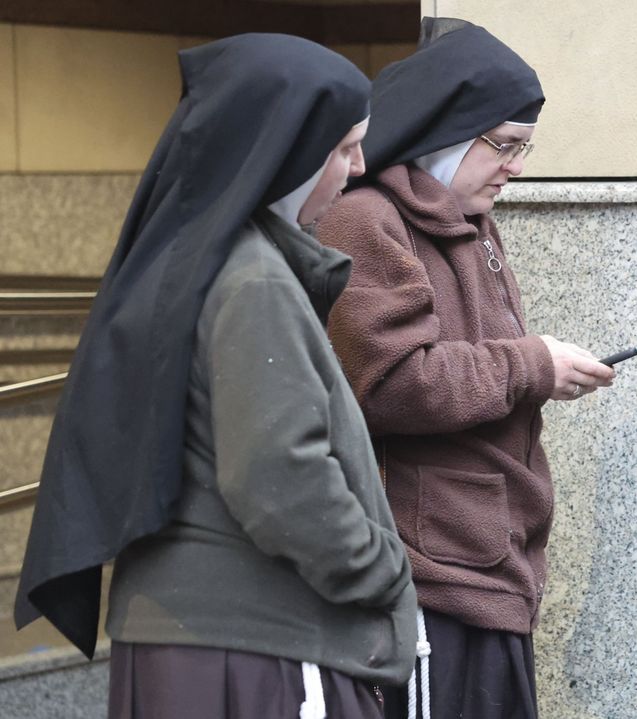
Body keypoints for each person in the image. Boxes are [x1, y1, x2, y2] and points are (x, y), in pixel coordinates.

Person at [15, 34, 416, 718]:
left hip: (203, 642)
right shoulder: (251, 278)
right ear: (290, 148)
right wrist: (385, 568)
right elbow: (281, 479)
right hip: (249, 648)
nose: (358, 166)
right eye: (345, 147)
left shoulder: (199, 257)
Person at [316, 18, 614, 719]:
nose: (514, 166)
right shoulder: (365, 219)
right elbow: (393, 382)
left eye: (522, 148)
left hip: (489, 565)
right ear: (442, 134)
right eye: (502, 146)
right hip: (430, 581)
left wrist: (537, 364)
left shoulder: (469, 217)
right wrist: (533, 363)